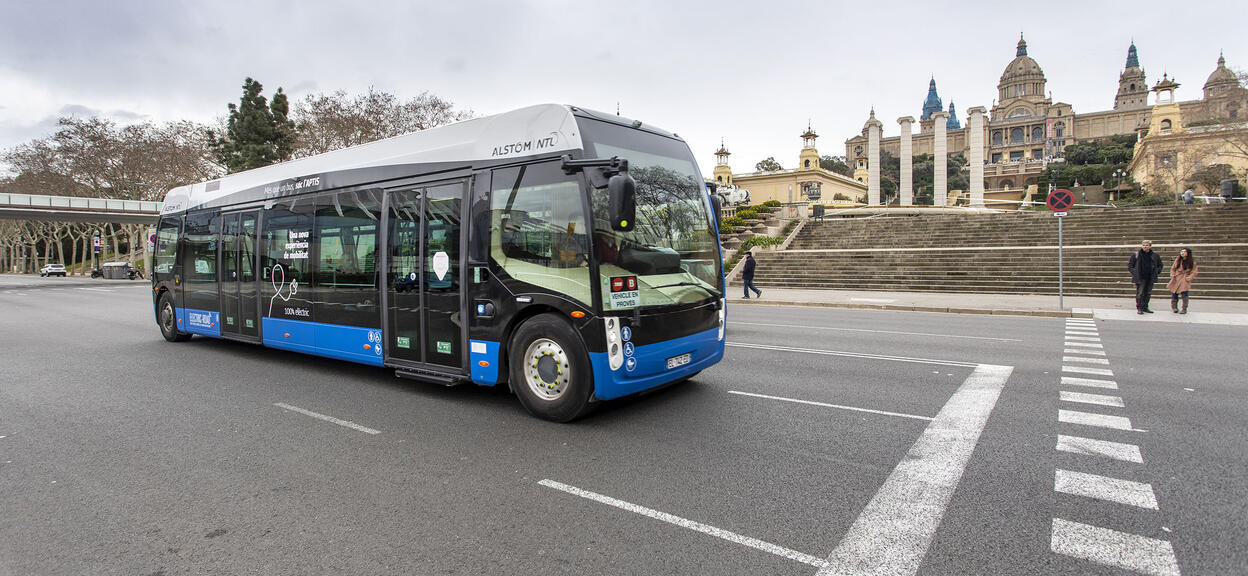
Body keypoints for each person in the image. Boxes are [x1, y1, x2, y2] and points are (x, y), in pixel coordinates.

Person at [1127, 240, 1163, 314]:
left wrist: (1157, 271)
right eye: (1143, 245)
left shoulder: (1155, 255)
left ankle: (1145, 307)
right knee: (1140, 293)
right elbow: (1130, 265)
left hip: (1150, 277)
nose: (1145, 246)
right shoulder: (1136, 255)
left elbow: (1160, 265)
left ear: (1150, 246)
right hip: (1140, 277)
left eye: (1146, 245)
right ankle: (1139, 308)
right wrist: (1135, 272)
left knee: (1148, 293)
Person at [1166, 247, 1198, 314]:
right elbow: (1173, 268)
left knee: (1184, 294)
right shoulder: (1178, 260)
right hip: (1176, 278)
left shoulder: (1192, 261)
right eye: (1181, 251)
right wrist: (1173, 275)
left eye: (1184, 252)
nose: (1182, 253)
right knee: (1174, 293)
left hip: (1184, 278)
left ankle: (1184, 308)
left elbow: (1194, 271)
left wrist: (1188, 278)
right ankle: (1174, 307)